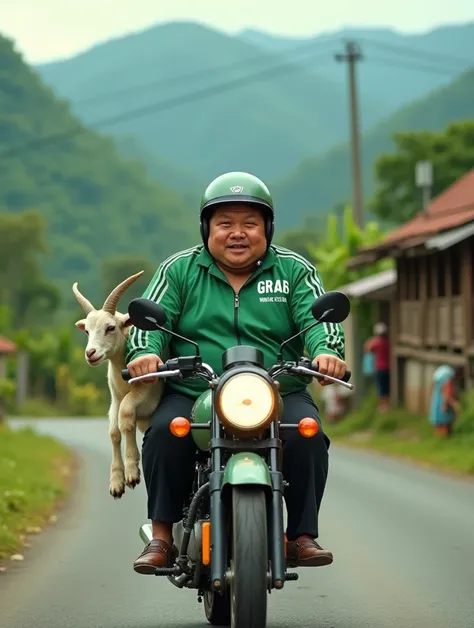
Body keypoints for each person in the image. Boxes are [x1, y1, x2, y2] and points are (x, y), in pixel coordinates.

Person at [125, 171, 346, 575]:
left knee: (308, 433)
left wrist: (327, 352)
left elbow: (318, 321)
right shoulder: (179, 270)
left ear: (268, 228)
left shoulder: (294, 271)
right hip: (195, 389)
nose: (237, 233)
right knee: (163, 433)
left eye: (250, 223)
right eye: (225, 223)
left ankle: (300, 536)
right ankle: (161, 536)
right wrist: (146, 355)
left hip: (277, 389)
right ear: (207, 228)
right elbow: (148, 323)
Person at [364, 322, 390, 412]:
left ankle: (383, 407)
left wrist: (372, 339)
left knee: (381, 387)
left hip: (379, 367)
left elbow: (367, 348)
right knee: (386, 386)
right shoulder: (387, 342)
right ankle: (386, 405)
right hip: (387, 367)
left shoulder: (376, 343)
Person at [429, 365, 460, 437]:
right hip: (443, 403)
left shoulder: (439, 377)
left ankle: (440, 441)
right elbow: (447, 394)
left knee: (439, 426)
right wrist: (455, 405)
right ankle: (443, 439)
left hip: (437, 402)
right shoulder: (447, 378)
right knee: (444, 425)